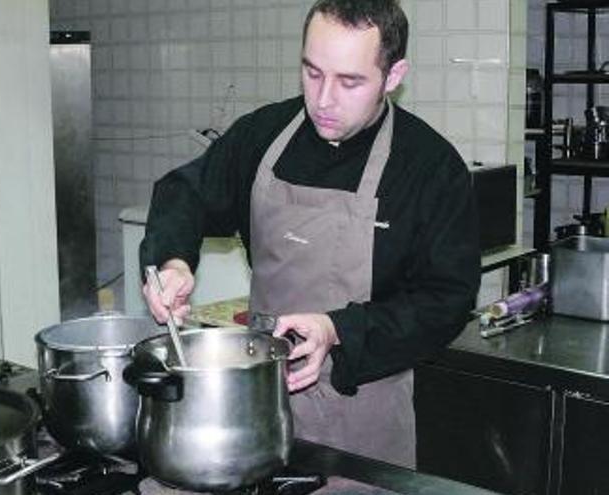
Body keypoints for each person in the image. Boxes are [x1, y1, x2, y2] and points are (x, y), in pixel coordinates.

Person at [139, 0, 480, 469]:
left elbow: (447, 300)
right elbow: (186, 193)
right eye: (312, 72)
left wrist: (336, 328)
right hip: (255, 402)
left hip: (362, 422)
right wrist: (174, 260)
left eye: (350, 81)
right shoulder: (263, 136)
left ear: (394, 75)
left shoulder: (429, 168)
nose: (323, 99)